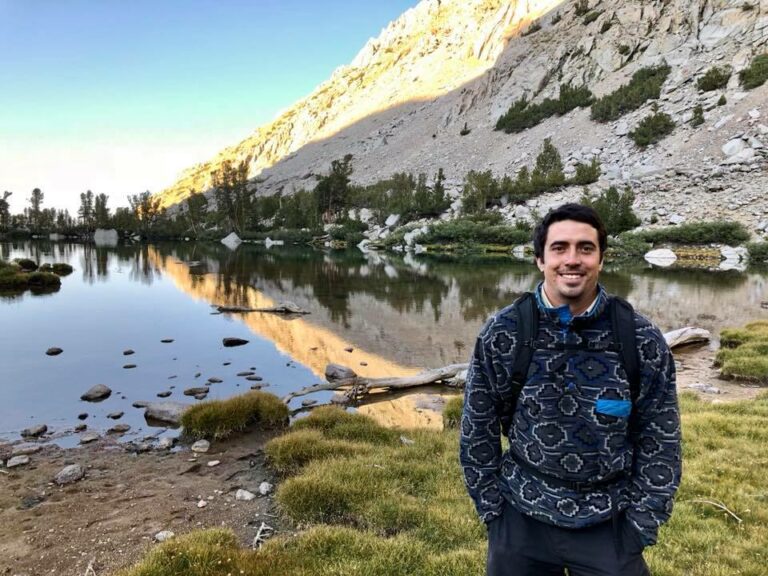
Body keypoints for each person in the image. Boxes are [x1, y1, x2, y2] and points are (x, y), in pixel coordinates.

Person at [459, 203, 681, 576]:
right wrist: (493, 510)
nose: (572, 260)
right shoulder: (504, 332)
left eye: (585, 248)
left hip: (610, 523)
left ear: (601, 259)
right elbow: (477, 428)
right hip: (520, 515)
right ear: (539, 260)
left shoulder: (639, 338)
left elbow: (661, 438)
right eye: (559, 248)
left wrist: (642, 523)